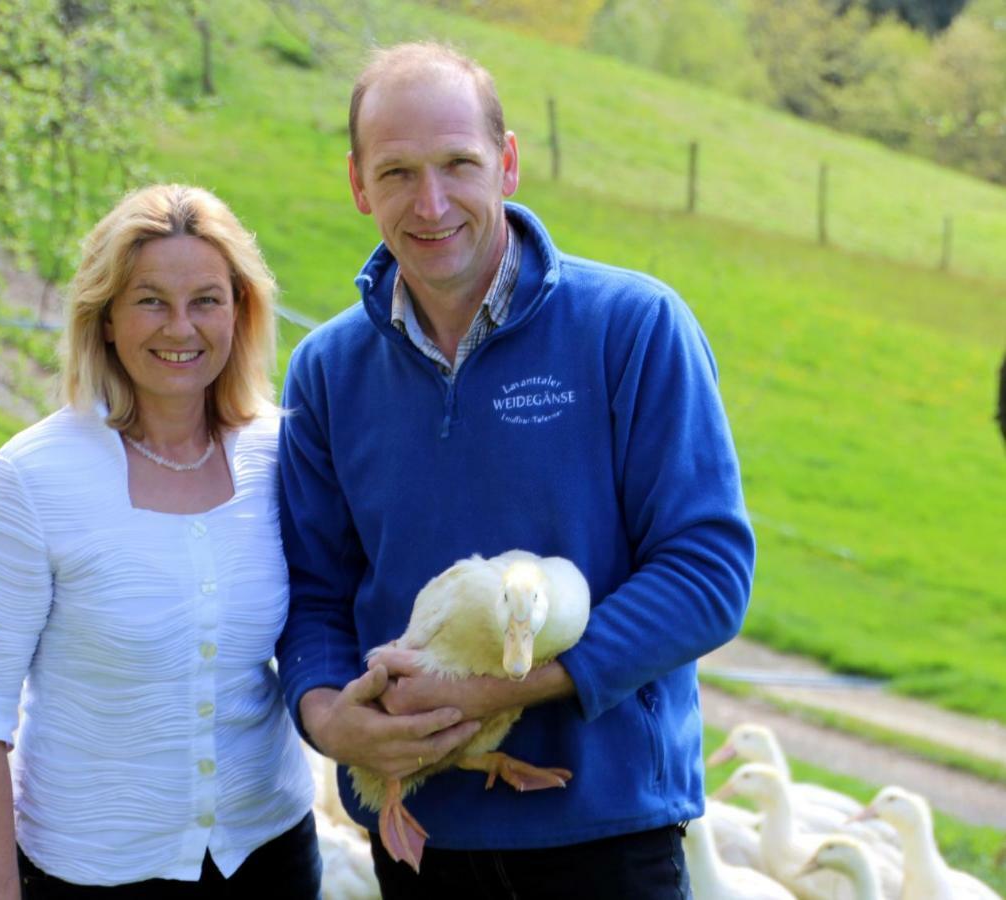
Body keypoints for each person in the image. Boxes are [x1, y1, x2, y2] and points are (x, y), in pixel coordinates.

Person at [275, 42, 756, 898]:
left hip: (607, 831)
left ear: (507, 162)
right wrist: (329, 720)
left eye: (459, 164)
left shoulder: (633, 328)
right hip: (423, 835)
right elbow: (313, 595)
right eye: (396, 173)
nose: (431, 204)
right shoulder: (326, 371)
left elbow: (708, 574)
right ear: (356, 185)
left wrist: (505, 688)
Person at [0, 184, 320, 898]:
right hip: (89, 873)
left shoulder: (285, 452)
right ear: (106, 318)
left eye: (206, 299)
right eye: (150, 300)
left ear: (241, 312)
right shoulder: (31, 479)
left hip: (270, 857)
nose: (180, 327)